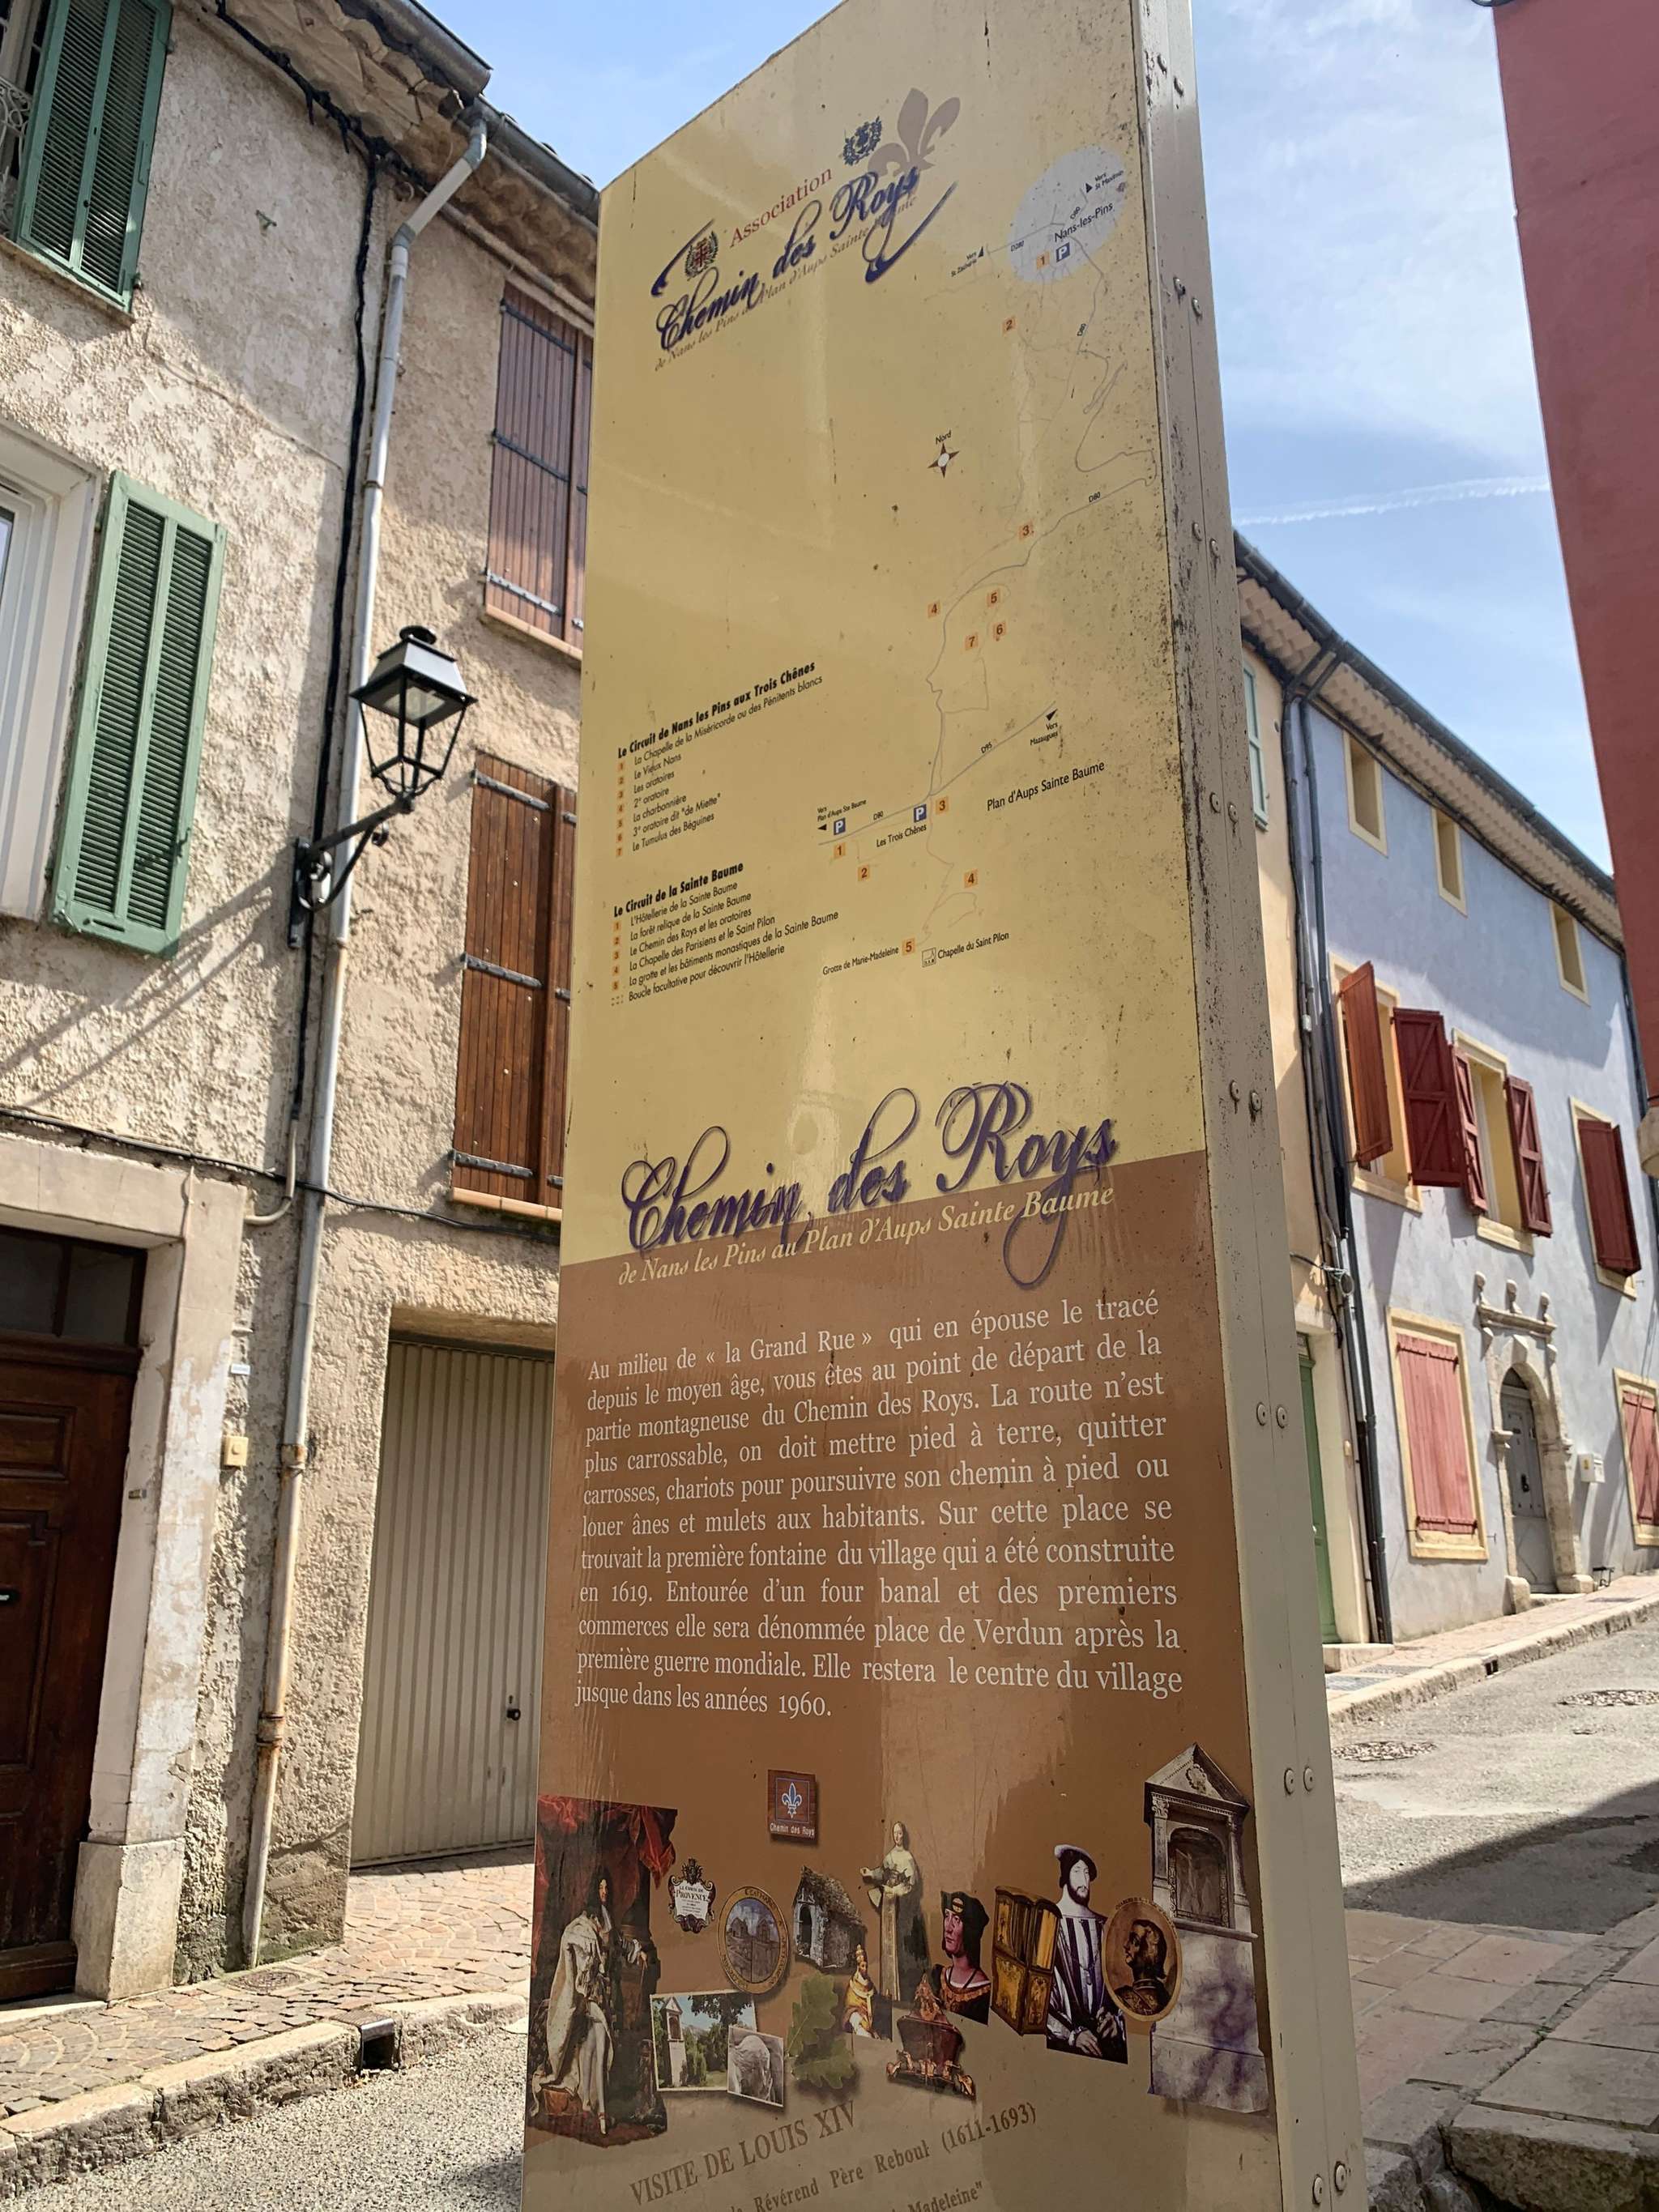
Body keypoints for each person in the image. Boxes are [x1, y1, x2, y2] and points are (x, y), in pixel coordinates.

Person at [532, 1869, 646, 2133]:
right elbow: (570, 1940)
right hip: (589, 1993)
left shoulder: (607, 1919)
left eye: (607, 1888)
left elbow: (618, 1943)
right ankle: (602, 2111)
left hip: (606, 1993)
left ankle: (588, 2102)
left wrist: (637, 1951)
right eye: (601, 1888)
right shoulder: (584, 1922)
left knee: (594, 2044)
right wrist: (583, 1961)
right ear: (594, 1891)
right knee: (601, 2044)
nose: (604, 1892)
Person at [1045, 1846, 1126, 2063]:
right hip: (1060, 2051)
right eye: (1077, 1871)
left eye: (1087, 1873)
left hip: (1107, 2050)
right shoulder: (1047, 1923)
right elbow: (1037, 1999)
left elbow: (1122, 1987)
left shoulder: (1105, 1927)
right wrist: (1072, 2035)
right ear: (1065, 1875)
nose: (1084, 1880)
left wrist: (1117, 2022)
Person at [862, 1821, 928, 2001]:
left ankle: (900, 1994)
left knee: (900, 1949)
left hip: (902, 1910)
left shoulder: (908, 1857)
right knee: (888, 1946)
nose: (897, 1836)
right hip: (888, 1907)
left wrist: (896, 1890)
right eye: (895, 1833)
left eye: (900, 1833)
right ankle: (888, 1991)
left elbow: (912, 1884)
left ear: (904, 1835)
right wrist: (870, 1873)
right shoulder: (891, 1855)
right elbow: (883, 1872)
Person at [936, 1891, 991, 2023]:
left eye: (957, 1919)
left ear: (970, 1932)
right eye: (947, 1916)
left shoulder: (983, 1994)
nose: (948, 1928)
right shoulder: (937, 1975)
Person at [1117, 1916, 1174, 2018]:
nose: (1126, 1945)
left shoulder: (1122, 1998)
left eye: (1134, 1941)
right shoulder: (1166, 1999)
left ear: (1150, 1952)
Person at [843, 1942, 877, 2036]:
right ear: (858, 1967)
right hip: (858, 2017)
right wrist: (858, 2011)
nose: (865, 1969)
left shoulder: (870, 1985)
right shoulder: (853, 1986)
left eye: (866, 1966)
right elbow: (849, 2007)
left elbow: (875, 2002)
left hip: (870, 2019)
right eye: (863, 1966)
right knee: (855, 2018)